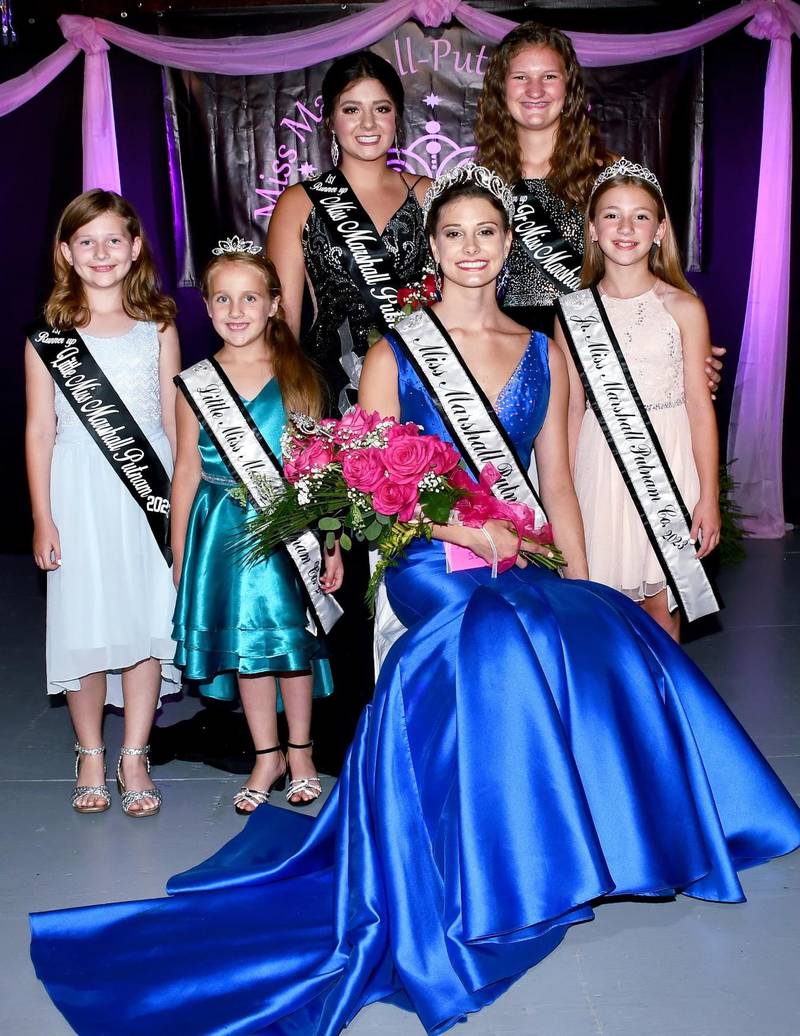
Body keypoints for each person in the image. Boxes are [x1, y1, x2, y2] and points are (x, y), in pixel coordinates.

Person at [30, 167, 800, 1035]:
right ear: (431, 250)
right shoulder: (399, 350)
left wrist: (582, 579)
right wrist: (466, 534)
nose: (471, 249)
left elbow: (559, 488)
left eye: (487, 234)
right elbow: (370, 488)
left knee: (610, 630)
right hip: (428, 561)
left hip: (524, 552)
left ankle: (622, 842)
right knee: (501, 641)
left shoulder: (544, 350)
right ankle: (507, 868)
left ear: (509, 246)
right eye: (454, 235)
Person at [24, 189, 180, 817]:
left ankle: (135, 752)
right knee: (85, 622)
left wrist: (183, 508)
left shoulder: (159, 326)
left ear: (136, 247)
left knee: (146, 621)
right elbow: (39, 430)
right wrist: (42, 516)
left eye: (114, 238)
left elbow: (175, 421)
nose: (101, 252)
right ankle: (91, 751)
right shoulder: (48, 338)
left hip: (150, 494)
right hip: (77, 494)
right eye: (85, 241)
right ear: (66, 253)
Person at [171, 243, 343, 810]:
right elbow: (187, 471)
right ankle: (265, 753)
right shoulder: (196, 382)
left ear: (274, 304)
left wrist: (333, 541)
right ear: (207, 306)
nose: (236, 309)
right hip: (220, 529)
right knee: (249, 649)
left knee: (295, 644)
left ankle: (300, 750)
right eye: (223, 298)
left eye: (250, 297)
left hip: (288, 529)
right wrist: (180, 554)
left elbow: (319, 470)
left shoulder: (299, 376)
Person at [474, 22, 724, 392]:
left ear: (570, 88)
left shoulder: (607, 175)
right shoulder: (479, 183)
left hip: (598, 348)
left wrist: (682, 344)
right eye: (521, 77)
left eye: (549, 77)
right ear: (500, 88)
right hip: (506, 351)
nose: (535, 90)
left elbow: (650, 262)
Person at [556, 159, 719, 640]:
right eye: (611, 215)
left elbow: (699, 405)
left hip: (667, 465)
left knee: (660, 606)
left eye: (641, 216)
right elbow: (571, 409)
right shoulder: (572, 312)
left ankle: (662, 711)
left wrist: (708, 496)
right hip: (598, 465)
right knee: (601, 607)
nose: (625, 228)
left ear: (661, 229)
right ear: (591, 228)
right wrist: (559, 494)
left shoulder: (684, 308)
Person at [266, 49, 431, 417]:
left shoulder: (429, 195)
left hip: (422, 382)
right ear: (330, 120)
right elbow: (284, 325)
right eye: (351, 109)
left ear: (398, 117)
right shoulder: (298, 203)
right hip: (332, 391)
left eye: (382, 109)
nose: (368, 124)